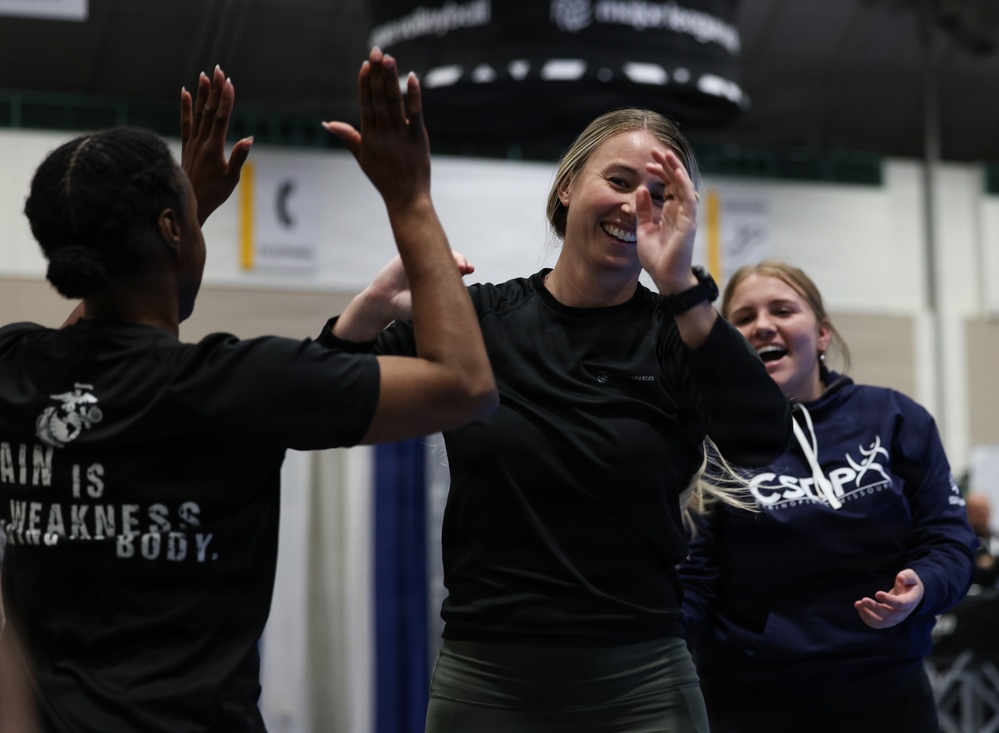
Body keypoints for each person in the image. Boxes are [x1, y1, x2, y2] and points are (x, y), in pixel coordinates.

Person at [0, 51, 497, 733]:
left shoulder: (14, 366)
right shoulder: (230, 383)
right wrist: (409, 197)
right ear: (173, 230)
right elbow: (464, 385)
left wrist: (180, 207)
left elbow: (86, 341)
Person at [320, 99, 792, 730]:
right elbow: (320, 403)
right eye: (619, 181)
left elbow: (763, 438)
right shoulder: (480, 321)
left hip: (641, 681)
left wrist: (685, 289)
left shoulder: (679, 336)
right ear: (568, 187)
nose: (634, 206)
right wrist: (371, 310)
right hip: (487, 677)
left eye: (658, 194)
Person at [679, 260, 977, 733]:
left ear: (822, 335)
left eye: (782, 309)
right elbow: (692, 579)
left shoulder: (895, 417)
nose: (763, 326)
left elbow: (950, 539)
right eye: (743, 318)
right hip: (751, 701)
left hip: (889, 695)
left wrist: (922, 585)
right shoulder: (710, 443)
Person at [966, 492, 999, 588]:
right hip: (976, 597)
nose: (981, 514)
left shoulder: (996, 537)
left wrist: (993, 561)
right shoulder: (964, 542)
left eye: (983, 509)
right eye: (976, 511)